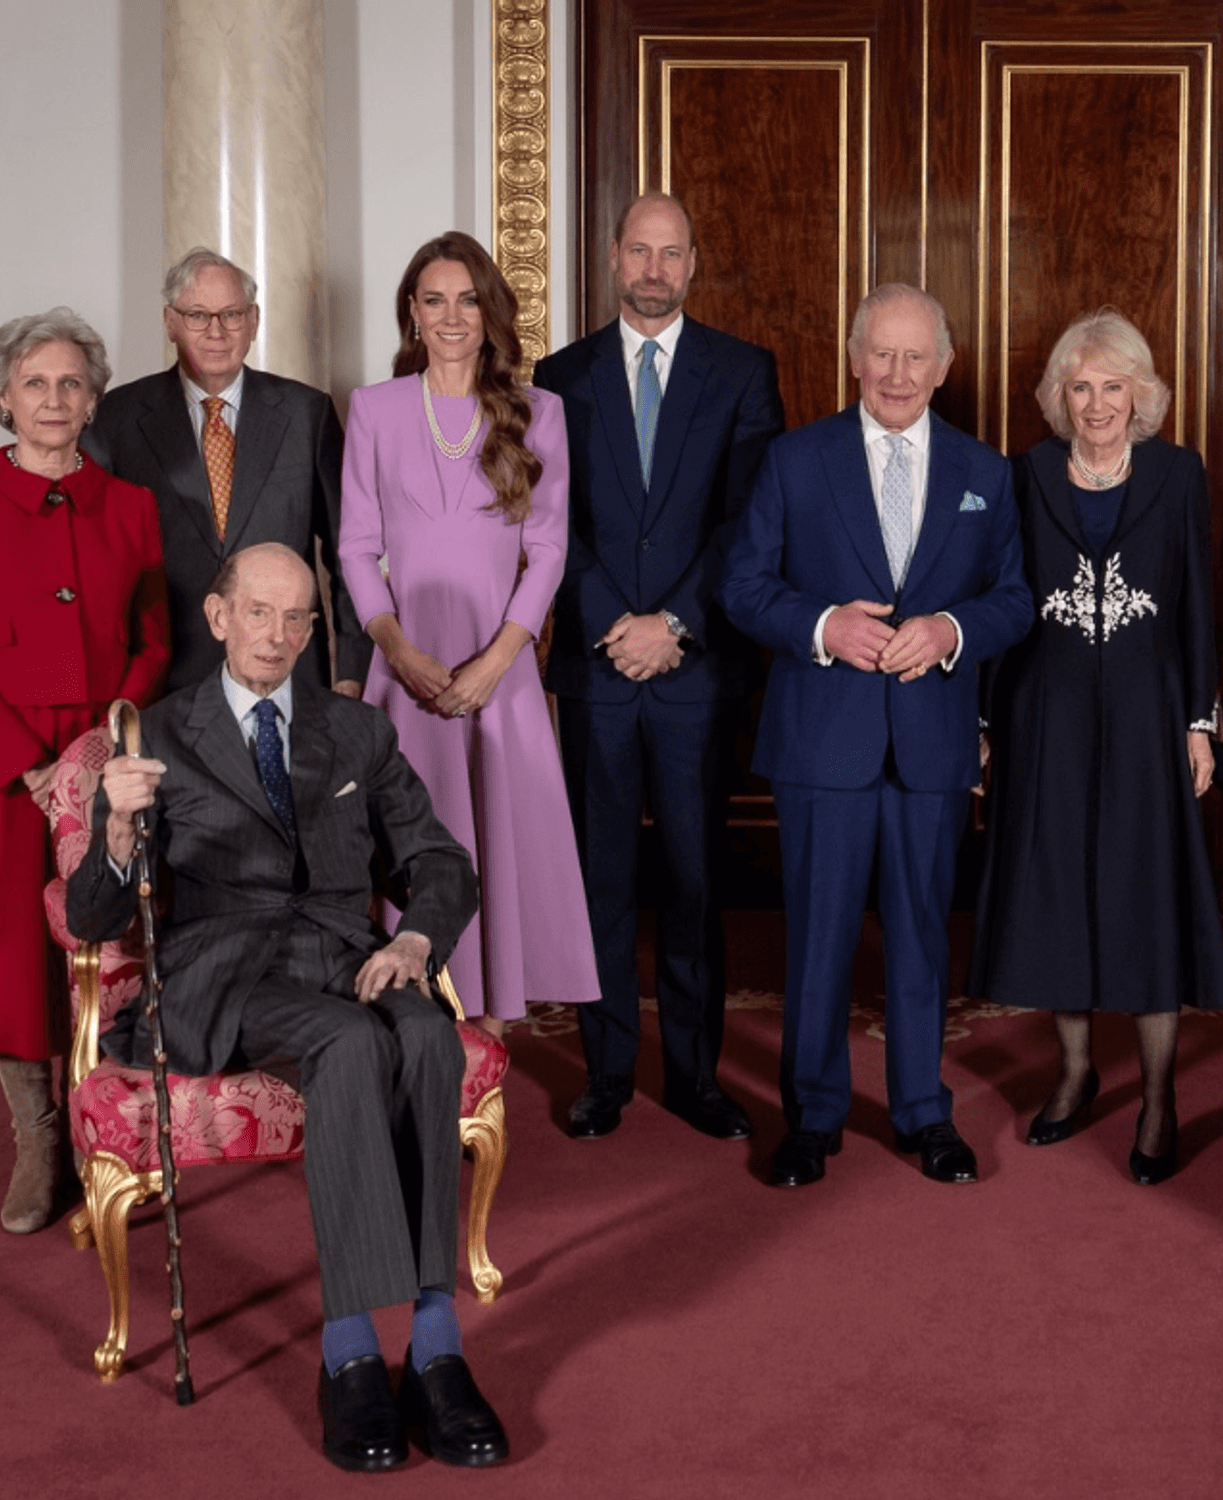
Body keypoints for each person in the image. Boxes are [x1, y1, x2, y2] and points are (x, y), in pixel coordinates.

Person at [66, 543, 505, 1471]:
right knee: (350, 1043)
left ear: (313, 631)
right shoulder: (157, 734)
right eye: (258, 612)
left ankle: (436, 1346)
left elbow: (438, 859)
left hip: (348, 954)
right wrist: (118, 826)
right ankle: (351, 1354)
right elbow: (93, 918)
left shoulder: (357, 731)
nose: (276, 634)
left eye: (296, 617)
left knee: (429, 1037)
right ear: (218, 617)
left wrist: (413, 942)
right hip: (224, 972)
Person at [721, 283, 1033, 1188]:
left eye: (915, 356)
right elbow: (743, 587)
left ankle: (923, 1111)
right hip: (823, 740)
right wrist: (824, 626)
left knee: (923, 937)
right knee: (818, 937)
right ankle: (812, 1118)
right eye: (882, 354)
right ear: (855, 358)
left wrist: (950, 632)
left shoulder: (984, 472)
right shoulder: (795, 459)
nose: (897, 374)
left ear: (944, 366)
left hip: (931, 741)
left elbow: (1014, 599)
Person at [533, 191, 785, 1142]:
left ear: (693, 263)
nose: (653, 269)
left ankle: (695, 1075)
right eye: (639, 251)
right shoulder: (558, 376)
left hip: (695, 670)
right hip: (596, 669)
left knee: (693, 881)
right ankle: (605, 1074)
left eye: (670, 253)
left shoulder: (743, 372)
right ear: (612, 257)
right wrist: (614, 623)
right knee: (599, 882)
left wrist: (673, 622)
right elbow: (548, 521)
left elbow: (750, 519)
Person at [968, 308, 1223, 1184]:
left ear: (1140, 393)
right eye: (1079, 387)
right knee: (1056, 892)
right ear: (1058, 396)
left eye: (1113, 386)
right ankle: (1076, 1072)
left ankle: (1158, 1098)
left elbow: (1196, 602)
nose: (1096, 404)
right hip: (1045, 716)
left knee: (1145, 896)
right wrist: (983, 723)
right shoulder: (1025, 474)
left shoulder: (1177, 473)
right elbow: (999, 598)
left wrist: (1199, 721)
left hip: (1150, 717)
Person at [338, 230, 598, 1034]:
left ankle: (487, 1041)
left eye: (467, 300)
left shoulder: (539, 412)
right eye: (434, 300)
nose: (452, 316)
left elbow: (548, 551)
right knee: (407, 840)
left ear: (491, 312)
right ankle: (406, 1032)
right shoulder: (375, 408)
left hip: (501, 668)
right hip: (405, 668)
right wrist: (397, 649)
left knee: (498, 840)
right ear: (412, 314)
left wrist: (495, 662)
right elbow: (355, 547)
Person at [0, 307, 170, 1233]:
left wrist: (96, 753)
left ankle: (104, 1131)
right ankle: (38, 1139)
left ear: (92, 401)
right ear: (4, 398)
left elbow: (154, 643)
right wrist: (31, 766)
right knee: (14, 961)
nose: (53, 399)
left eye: (71, 384)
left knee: (106, 946)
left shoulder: (131, 506)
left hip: (105, 758)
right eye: (34, 383)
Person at [84, 248, 369, 695]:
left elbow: (347, 552)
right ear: (170, 321)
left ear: (253, 321)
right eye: (197, 315)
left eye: (232, 314)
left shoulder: (307, 414)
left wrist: (351, 672)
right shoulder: (116, 419)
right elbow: (93, 567)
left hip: (287, 674)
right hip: (162, 684)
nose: (216, 331)